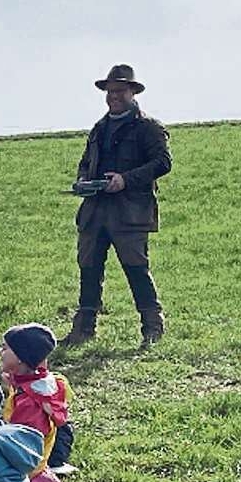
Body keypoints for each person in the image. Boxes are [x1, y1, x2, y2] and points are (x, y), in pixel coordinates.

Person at [64, 64, 173, 349]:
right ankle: (83, 330)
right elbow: (86, 162)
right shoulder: (99, 128)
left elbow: (163, 163)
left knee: (136, 269)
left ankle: (153, 327)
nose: (113, 96)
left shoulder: (149, 128)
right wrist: (83, 181)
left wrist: (125, 180)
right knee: (88, 269)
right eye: (110, 91)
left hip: (129, 214)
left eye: (120, 91)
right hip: (95, 212)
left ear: (133, 92)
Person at [0, 324, 71, 482]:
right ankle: (43, 479)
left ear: (21, 358)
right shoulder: (34, 383)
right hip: (35, 463)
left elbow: (24, 446)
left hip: (25, 469)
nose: (0, 351)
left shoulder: (30, 403)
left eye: (5, 348)